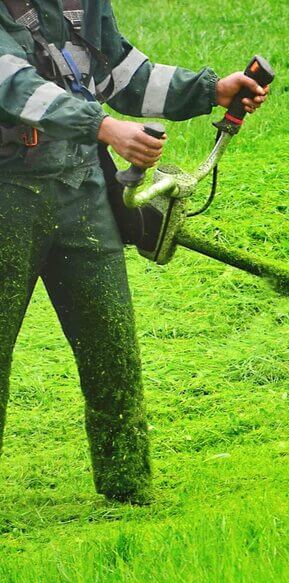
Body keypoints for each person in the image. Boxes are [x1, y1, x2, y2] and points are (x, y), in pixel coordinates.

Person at [0, 0, 268, 504]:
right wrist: (105, 128)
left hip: (80, 188)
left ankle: (129, 492)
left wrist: (211, 90)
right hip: (6, 194)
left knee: (112, 349)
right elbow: (12, 85)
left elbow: (124, 73)